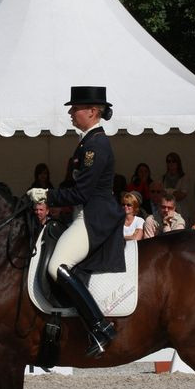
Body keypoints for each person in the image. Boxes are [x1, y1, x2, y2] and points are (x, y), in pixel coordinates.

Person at [25, 86, 123, 358]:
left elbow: (81, 192)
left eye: (75, 108)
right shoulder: (86, 142)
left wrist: (47, 195)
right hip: (83, 212)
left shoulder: (96, 145)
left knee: (57, 266)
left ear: (92, 112)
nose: (70, 112)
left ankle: (99, 325)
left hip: (93, 217)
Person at [162, 152, 190, 221]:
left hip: (181, 212)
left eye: (174, 161)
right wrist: (175, 192)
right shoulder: (163, 178)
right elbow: (161, 195)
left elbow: (181, 196)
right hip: (166, 212)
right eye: (169, 161)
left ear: (178, 163)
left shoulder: (184, 178)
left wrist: (168, 192)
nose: (171, 163)